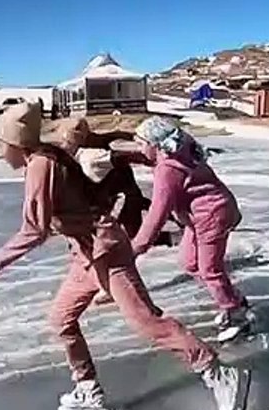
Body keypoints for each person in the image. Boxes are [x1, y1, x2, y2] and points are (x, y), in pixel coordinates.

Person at [0, 103, 249, 410]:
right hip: (86, 254)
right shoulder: (49, 155)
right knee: (61, 319)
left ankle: (220, 375)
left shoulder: (40, 165)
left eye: (0, 145)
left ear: (15, 143)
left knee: (147, 321)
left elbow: (35, 229)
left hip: (105, 251)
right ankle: (88, 389)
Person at [127, 116, 254, 343]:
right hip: (201, 217)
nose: (138, 148)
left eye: (140, 143)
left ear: (154, 144)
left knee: (209, 270)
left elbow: (157, 214)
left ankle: (237, 315)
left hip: (212, 215)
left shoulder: (168, 169)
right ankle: (234, 299)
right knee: (189, 263)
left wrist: (136, 247)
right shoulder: (177, 151)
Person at [51, 117, 177, 306]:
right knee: (100, 247)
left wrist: (156, 160)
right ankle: (109, 287)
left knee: (130, 240)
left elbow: (121, 156)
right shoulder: (74, 155)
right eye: (62, 142)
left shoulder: (90, 156)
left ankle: (175, 237)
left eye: (67, 142)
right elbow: (116, 136)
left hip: (124, 196)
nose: (64, 146)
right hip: (109, 199)